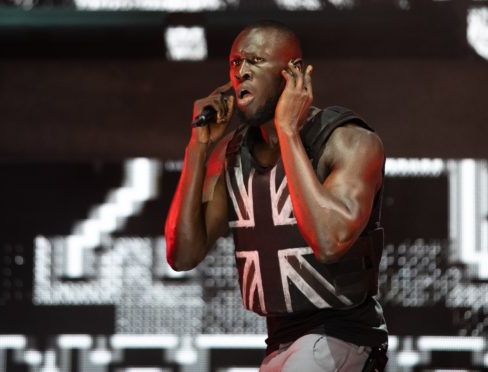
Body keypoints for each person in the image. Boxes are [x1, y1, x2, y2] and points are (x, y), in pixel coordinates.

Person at [165, 20, 388, 371]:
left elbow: (330, 241)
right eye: (236, 62)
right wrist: (198, 148)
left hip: (340, 336)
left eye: (255, 60)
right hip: (279, 341)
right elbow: (182, 254)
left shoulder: (347, 141)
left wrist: (287, 129)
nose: (241, 72)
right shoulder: (232, 154)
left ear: (292, 72)